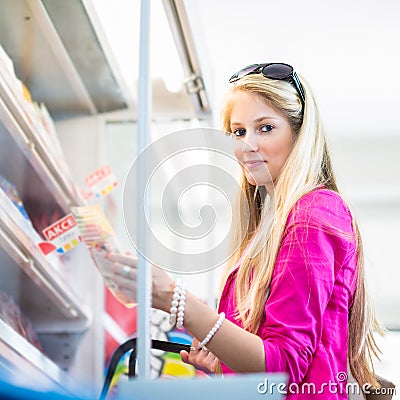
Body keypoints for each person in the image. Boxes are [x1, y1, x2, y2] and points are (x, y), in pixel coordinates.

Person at [106, 63, 382, 399]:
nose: (247, 145)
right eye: (238, 132)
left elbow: (285, 369)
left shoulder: (314, 212)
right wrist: (224, 363)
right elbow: (272, 371)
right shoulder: (269, 229)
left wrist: (180, 303)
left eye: (265, 128)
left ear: (299, 133)